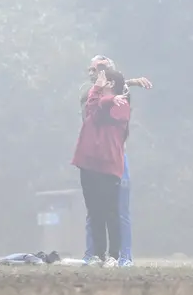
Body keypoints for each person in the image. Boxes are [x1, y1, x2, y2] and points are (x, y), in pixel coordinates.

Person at [78, 55, 151, 266]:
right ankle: (93, 253)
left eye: (99, 68)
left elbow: (116, 99)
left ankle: (123, 255)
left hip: (115, 157)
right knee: (94, 209)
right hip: (94, 158)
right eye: (91, 69)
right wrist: (130, 82)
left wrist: (126, 83)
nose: (94, 73)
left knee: (119, 209)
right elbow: (97, 105)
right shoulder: (87, 93)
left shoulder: (122, 96)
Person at [73, 67, 131, 268]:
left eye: (101, 77)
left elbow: (100, 115)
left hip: (108, 165)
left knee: (110, 211)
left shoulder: (122, 103)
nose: (97, 80)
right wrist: (98, 93)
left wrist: (104, 97)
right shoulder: (97, 100)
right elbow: (92, 109)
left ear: (111, 83)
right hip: (89, 163)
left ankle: (114, 255)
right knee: (94, 211)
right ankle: (98, 254)